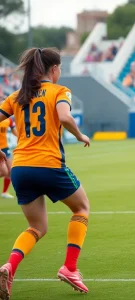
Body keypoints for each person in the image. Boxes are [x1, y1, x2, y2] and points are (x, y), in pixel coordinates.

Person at [0, 47, 91, 300]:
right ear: (53, 69)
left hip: (20, 168)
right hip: (48, 165)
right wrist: (80, 135)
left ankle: (9, 266)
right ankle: (70, 268)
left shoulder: (17, 96)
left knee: (36, 227)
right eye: (59, 68)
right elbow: (64, 116)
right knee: (81, 208)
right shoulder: (59, 91)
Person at [0, 111, 18, 199]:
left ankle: (4, 192)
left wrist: (22, 136)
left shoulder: (9, 120)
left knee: (10, 170)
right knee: (4, 171)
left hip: (5, 148)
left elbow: (14, 131)